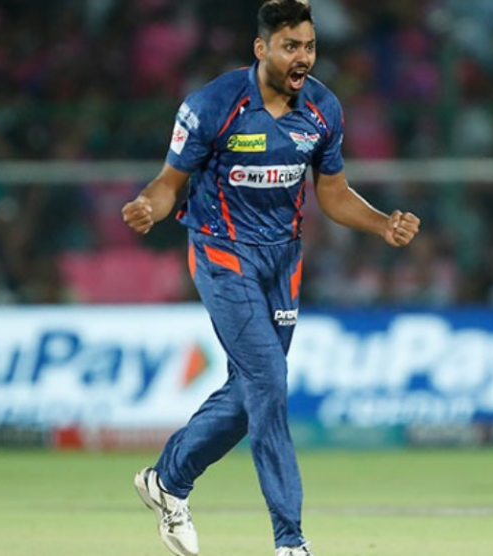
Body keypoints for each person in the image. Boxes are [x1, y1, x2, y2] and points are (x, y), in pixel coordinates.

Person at [121, 1, 420, 555]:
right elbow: (168, 183)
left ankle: (167, 481)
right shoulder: (212, 105)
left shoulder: (323, 109)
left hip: (283, 261)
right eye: (290, 47)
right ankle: (290, 541)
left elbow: (332, 193)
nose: (302, 57)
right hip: (222, 254)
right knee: (269, 382)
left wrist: (382, 224)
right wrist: (147, 206)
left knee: (252, 391)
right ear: (261, 49)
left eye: (309, 46)